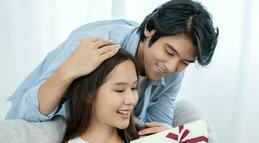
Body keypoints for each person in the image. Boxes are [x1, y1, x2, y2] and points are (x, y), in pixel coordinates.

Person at [6, 0, 219, 133]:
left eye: (185, 62)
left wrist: (164, 139)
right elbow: (24, 116)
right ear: (150, 30)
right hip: (52, 126)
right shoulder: (94, 42)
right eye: (169, 52)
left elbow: (158, 123)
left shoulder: (173, 69)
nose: (172, 66)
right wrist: (69, 71)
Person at [44, 48, 211, 143]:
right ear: (88, 94)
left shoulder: (144, 138)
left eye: (134, 88)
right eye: (119, 90)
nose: (132, 100)